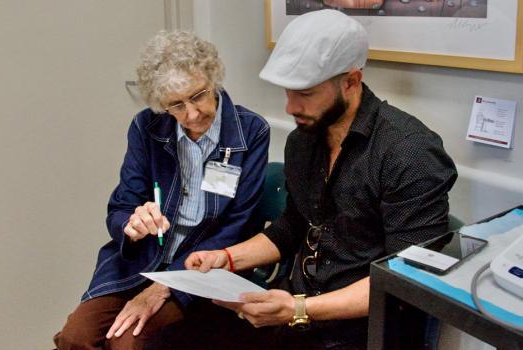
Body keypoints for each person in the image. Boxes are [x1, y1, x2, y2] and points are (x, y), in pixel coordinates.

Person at [148, 9, 457, 350]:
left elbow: (407, 280)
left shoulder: (409, 153)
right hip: (298, 310)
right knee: (167, 342)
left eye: (306, 94)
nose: (290, 107)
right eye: (288, 91)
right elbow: (293, 226)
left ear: (351, 82)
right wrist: (226, 258)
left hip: (363, 329)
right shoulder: (304, 140)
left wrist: (299, 309)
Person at [53, 30, 270, 350]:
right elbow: (121, 206)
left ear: (214, 78)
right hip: (139, 262)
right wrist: (132, 224)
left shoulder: (250, 132)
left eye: (198, 96)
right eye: (176, 105)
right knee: (75, 338)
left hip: (201, 269)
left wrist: (166, 286)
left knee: (128, 342)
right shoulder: (147, 127)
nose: (192, 114)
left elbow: (239, 225)